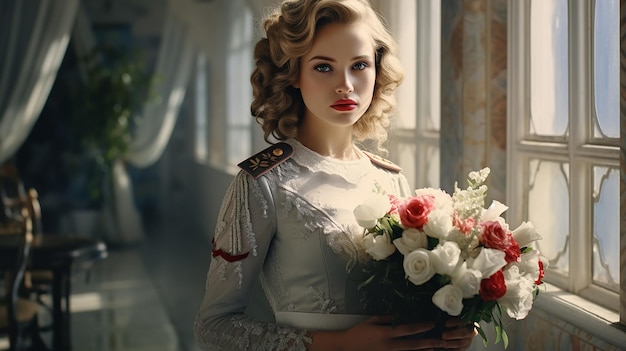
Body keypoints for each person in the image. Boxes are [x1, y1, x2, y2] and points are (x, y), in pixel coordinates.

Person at [194, 0, 477, 350]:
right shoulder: (263, 182)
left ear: (377, 70)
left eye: (359, 65)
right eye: (324, 67)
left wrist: (445, 328)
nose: (345, 85)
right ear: (293, 72)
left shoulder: (392, 180)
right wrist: (337, 344)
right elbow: (213, 326)